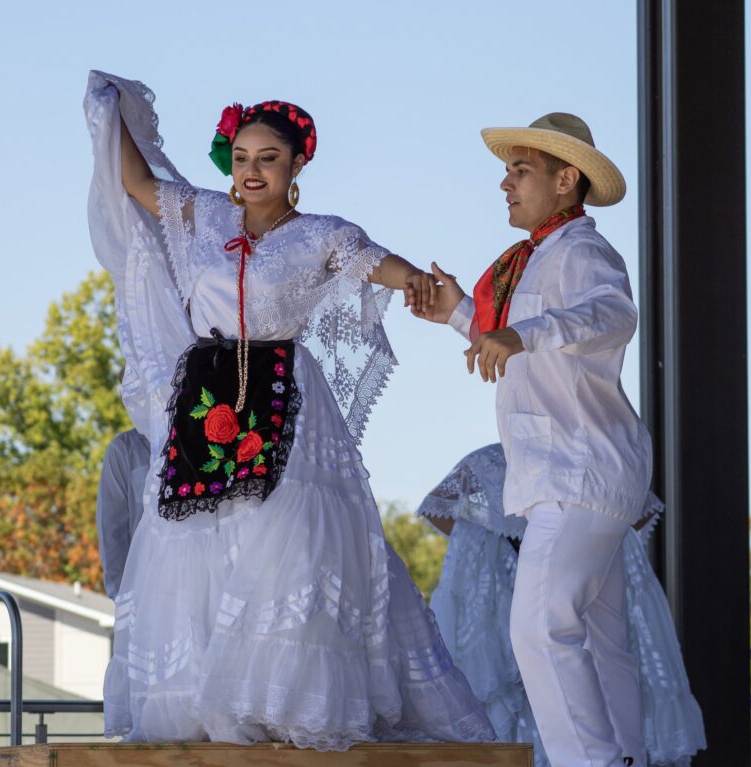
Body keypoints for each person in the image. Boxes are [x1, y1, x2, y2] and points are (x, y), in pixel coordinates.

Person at [83, 71, 494, 750]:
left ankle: (281, 699)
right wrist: (108, 107)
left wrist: (432, 291)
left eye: (267, 158)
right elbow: (134, 181)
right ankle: (206, 698)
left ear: (297, 163)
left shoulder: (324, 235)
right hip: (210, 394)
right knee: (201, 541)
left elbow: (384, 267)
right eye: (241, 158)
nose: (250, 171)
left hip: (283, 396)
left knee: (290, 544)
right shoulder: (204, 215)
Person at [413, 113, 653, 766]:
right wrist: (460, 313)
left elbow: (613, 314)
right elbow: (521, 336)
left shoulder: (583, 251)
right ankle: (625, 755)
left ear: (566, 179)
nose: (505, 184)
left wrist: (521, 333)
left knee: (541, 627)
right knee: (599, 641)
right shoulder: (536, 260)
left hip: (578, 473)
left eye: (520, 170)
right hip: (575, 472)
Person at [418, 443, 706, 767]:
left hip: (539, 591)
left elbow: (435, 507)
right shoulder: (567, 456)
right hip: (533, 588)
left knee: (569, 671)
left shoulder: (487, 463)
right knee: (576, 669)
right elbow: (640, 507)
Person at [96, 426, 151, 600]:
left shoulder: (201, 441)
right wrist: (123, 599)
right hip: (145, 594)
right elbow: (112, 531)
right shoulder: (124, 449)